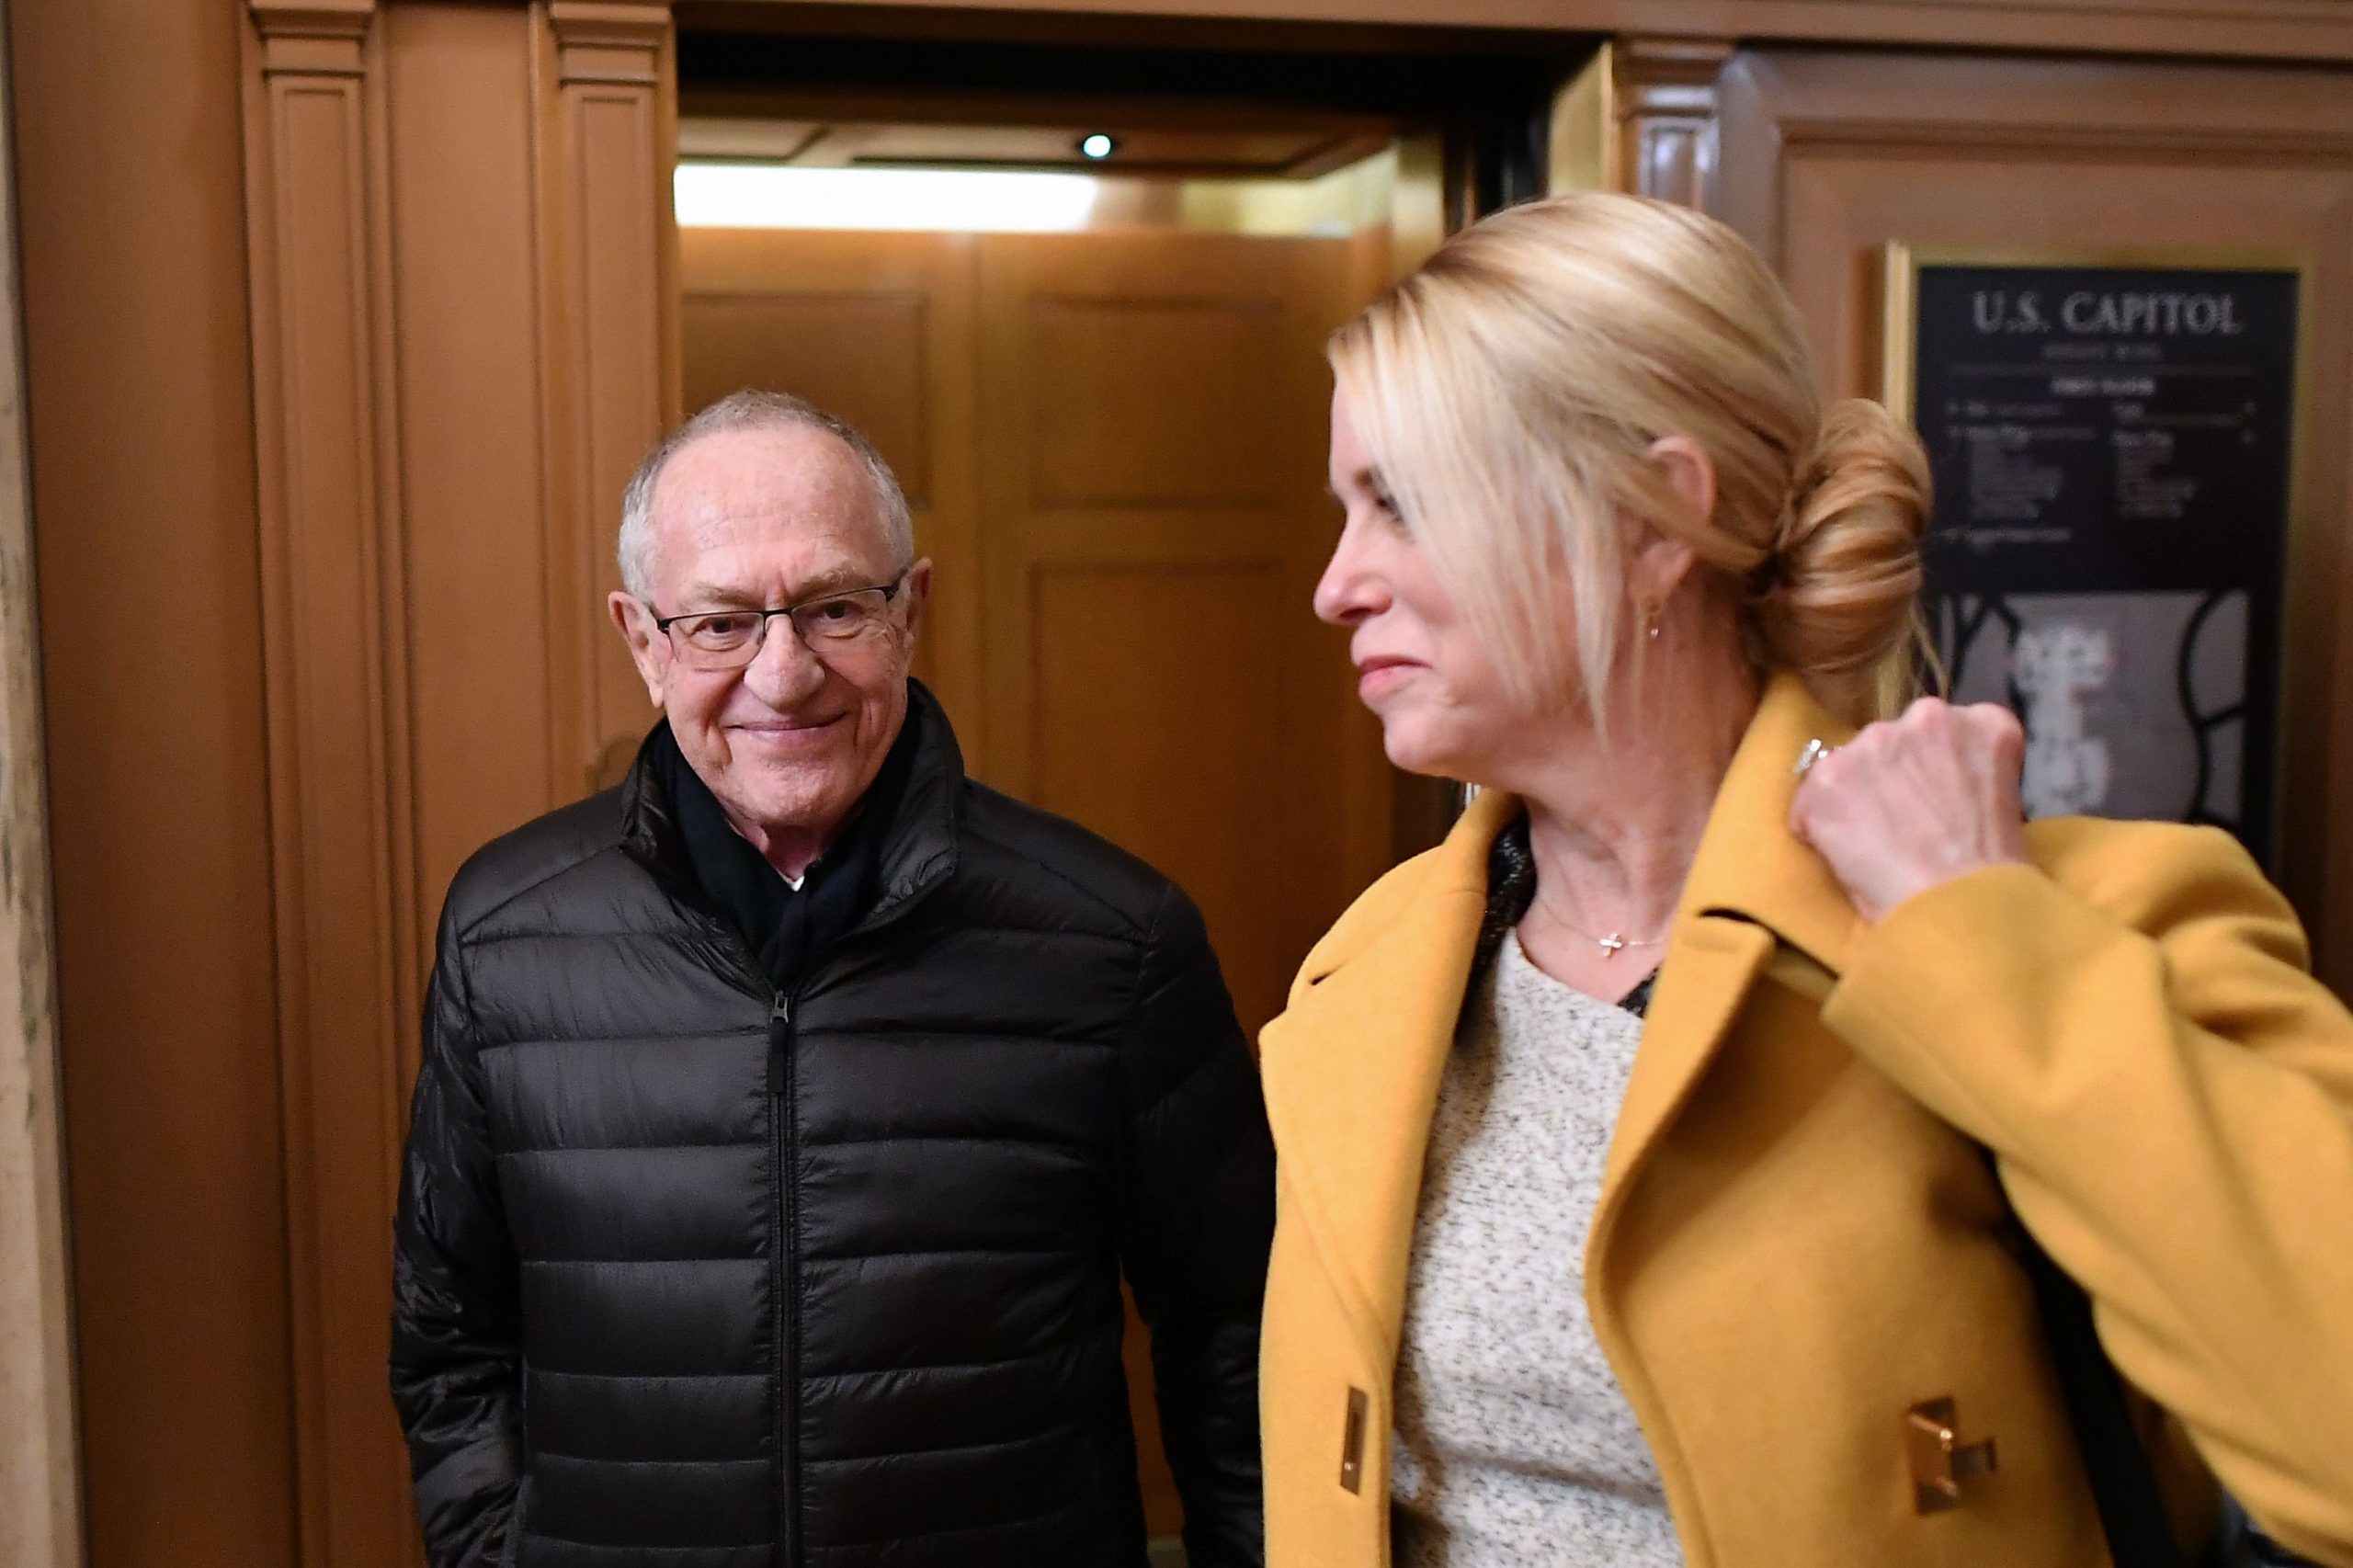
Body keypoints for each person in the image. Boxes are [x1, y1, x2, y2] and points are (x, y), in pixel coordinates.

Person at [1256, 192, 2353, 1568]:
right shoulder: (1379, 965)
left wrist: (1981, 941)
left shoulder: (2077, 919)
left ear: (1656, 518)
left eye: (1398, 506)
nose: (1336, 584)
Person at [391, 390, 1274, 1568]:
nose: (783, 671)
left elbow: (1239, 1339)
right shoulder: (505, 932)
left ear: (912, 610)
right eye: (718, 623)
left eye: (834, 607)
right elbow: (449, 1337)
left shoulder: (1113, 938)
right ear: (640, 641)